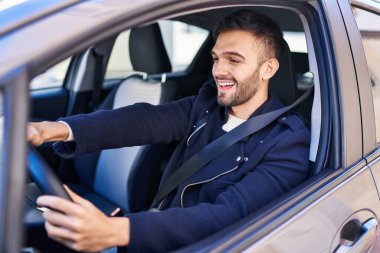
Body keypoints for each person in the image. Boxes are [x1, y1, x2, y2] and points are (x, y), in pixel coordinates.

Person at [28, 10, 310, 253]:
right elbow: (142, 120)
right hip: (151, 232)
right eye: (215, 59)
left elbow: (230, 215)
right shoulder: (206, 105)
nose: (219, 70)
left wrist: (117, 231)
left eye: (234, 60)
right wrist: (52, 130)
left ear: (268, 69)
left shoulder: (287, 141)